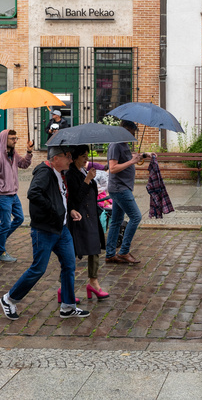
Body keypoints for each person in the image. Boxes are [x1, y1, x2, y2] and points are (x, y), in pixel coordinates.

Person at [0, 145, 90, 320]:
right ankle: (9, 299)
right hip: (44, 230)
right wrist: (54, 210)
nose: (71, 160)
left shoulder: (60, 173)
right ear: (56, 158)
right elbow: (34, 193)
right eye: (68, 156)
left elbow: (61, 197)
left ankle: (68, 306)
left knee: (69, 265)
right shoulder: (45, 172)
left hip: (61, 229)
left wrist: (68, 210)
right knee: (38, 269)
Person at [0, 129, 33, 263]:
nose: (15, 140)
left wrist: (29, 152)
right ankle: (0, 253)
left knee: (19, 218)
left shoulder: (13, 154)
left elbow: (24, 164)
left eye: (16, 138)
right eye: (12, 138)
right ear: (4, 140)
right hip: (2, 196)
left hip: (13, 194)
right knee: (5, 224)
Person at [67, 146, 109, 299]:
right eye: (83, 156)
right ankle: (64, 286)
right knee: (70, 253)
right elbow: (76, 198)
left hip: (91, 215)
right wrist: (87, 180)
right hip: (78, 217)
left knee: (94, 248)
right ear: (75, 157)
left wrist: (91, 182)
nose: (86, 159)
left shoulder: (84, 171)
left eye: (87, 156)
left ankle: (93, 282)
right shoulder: (70, 174)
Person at [104, 120, 146, 265]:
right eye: (132, 133)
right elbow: (113, 168)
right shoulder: (115, 145)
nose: (133, 136)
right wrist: (131, 162)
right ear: (125, 130)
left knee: (116, 221)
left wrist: (144, 155)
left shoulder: (123, 144)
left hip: (122, 187)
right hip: (120, 188)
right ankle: (124, 251)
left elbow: (129, 159)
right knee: (136, 217)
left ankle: (110, 254)